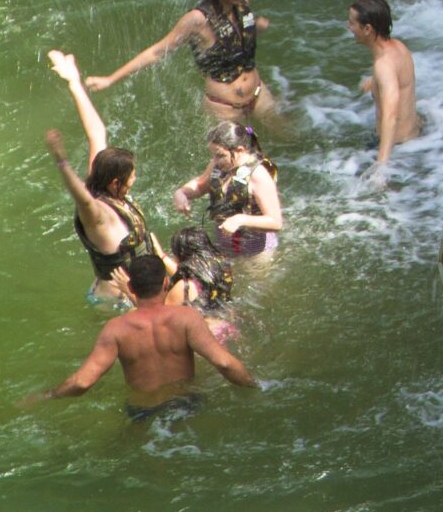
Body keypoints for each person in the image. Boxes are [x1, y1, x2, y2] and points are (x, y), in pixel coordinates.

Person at [20, 253, 256, 422]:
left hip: (143, 412)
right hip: (186, 405)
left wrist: (48, 395)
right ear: (166, 283)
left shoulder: (116, 329)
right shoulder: (187, 318)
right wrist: (255, 386)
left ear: (130, 287)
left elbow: (82, 382)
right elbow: (224, 363)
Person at [87, 0, 275, 120]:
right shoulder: (197, 20)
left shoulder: (241, 3)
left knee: (290, 140)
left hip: (258, 93)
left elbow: (235, 39)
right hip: (225, 108)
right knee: (237, 158)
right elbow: (157, 52)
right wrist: (110, 79)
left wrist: (256, 27)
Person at [45, 50, 162, 303]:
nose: (135, 180)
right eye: (131, 176)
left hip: (139, 294)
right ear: (115, 182)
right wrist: (61, 160)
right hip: (115, 303)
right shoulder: (98, 215)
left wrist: (74, 82)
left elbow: (97, 131)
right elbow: (83, 200)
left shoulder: (102, 178)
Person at [176, 121, 284, 257]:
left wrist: (241, 219)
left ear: (239, 150)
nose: (215, 161)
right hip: (223, 245)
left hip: (255, 252)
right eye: (213, 155)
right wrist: (182, 193)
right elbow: (199, 185)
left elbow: (275, 222)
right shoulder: (219, 165)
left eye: (220, 155)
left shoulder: (258, 175)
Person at [349, 0, 421, 180]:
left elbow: (391, 115)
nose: (349, 27)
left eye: (352, 23)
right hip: (414, 139)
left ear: (367, 29)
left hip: (395, 148)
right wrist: (373, 82)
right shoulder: (399, 47)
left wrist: (381, 166)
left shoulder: (383, 66)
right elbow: (394, 78)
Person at [168, 225, 237, 342]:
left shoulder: (184, 288)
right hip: (228, 329)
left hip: (201, 340)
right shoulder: (223, 272)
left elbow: (160, 321)